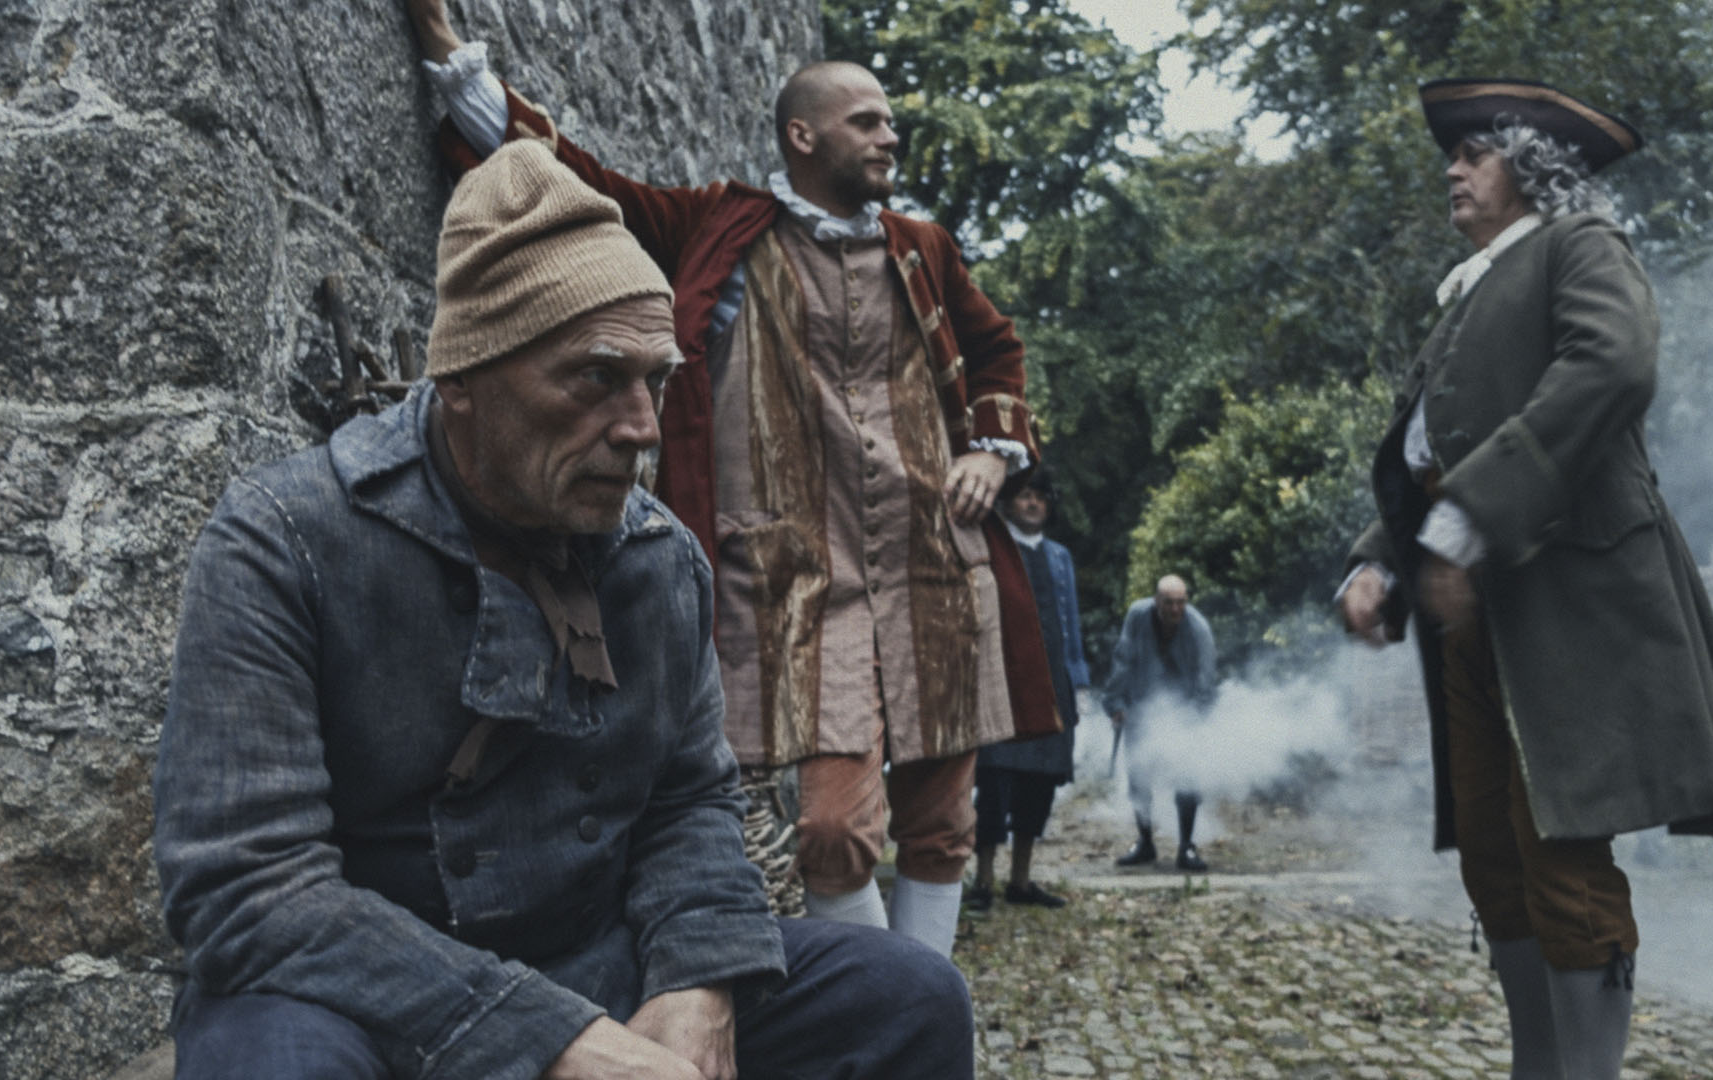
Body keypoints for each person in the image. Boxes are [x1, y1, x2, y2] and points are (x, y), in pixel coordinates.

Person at [152, 139, 974, 1080]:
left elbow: (687, 801)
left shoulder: (660, 558)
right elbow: (247, 889)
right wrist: (554, 1042)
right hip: (362, 1000)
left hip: (601, 967)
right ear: (463, 380)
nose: (641, 430)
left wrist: (696, 982)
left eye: (654, 380)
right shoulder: (283, 539)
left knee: (907, 998)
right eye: (595, 378)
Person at [401, 2, 1056, 961]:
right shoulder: (722, 225)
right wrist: (456, 64)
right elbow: (579, 185)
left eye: (887, 120)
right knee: (832, 828)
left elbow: (999, 353)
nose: (889, 134)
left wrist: (989, 453)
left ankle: (929, 1027)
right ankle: (890, 999)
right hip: (804, 577)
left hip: (933, 567)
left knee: (942, 823)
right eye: (867, 119)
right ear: (804, 135)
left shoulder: (925, 248)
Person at [1337, 77, 1713, 1080]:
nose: (1452, 168)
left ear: (1532, 169)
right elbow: (1430, 451)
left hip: (1568, 597)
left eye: (1474, 153)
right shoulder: (1475, 286)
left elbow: (1613, 367)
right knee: (1495, 854)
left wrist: (1468, 519)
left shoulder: (1580, 244)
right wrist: (1377, 559)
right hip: (1473, 602)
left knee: (1561, 852)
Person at [965, 467, 1090, 911]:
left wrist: (1077, 681)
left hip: (1053, 683)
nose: (1033, 503)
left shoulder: (1060, 557)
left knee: (1039, 786)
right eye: (1024, 497)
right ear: (1007, 503)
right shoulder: (992, 550)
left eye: (1040, 497)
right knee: (994, 782)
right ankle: (982, 881)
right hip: (1004, 680)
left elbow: (1070, 621)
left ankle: (1020, 880)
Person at [1101, 574, 1216, 873]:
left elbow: (1206, 681)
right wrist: (1115, 703)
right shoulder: (1138, 616)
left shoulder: (1199, 628)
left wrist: (1193, 721)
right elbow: (1123, 659)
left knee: (1187, 779)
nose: (1175, 609)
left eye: (1181, 602)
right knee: (1139, 777)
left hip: (1185, 707)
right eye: (1169, 603)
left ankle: (1186, 847)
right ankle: (1145, 842)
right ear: (1156, 601)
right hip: (1142, 703)